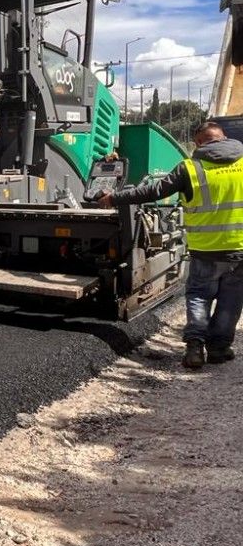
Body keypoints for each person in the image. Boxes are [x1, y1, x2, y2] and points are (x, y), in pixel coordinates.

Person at [99, 121, 243, 368]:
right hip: (239, 251)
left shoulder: (191, 167)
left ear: (197, 143)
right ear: (224, 137)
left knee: (199, 297)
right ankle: (219, 349)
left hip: (204, 250)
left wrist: (114, 198)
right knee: (231, 301)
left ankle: (195, 347)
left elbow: (154, 191)